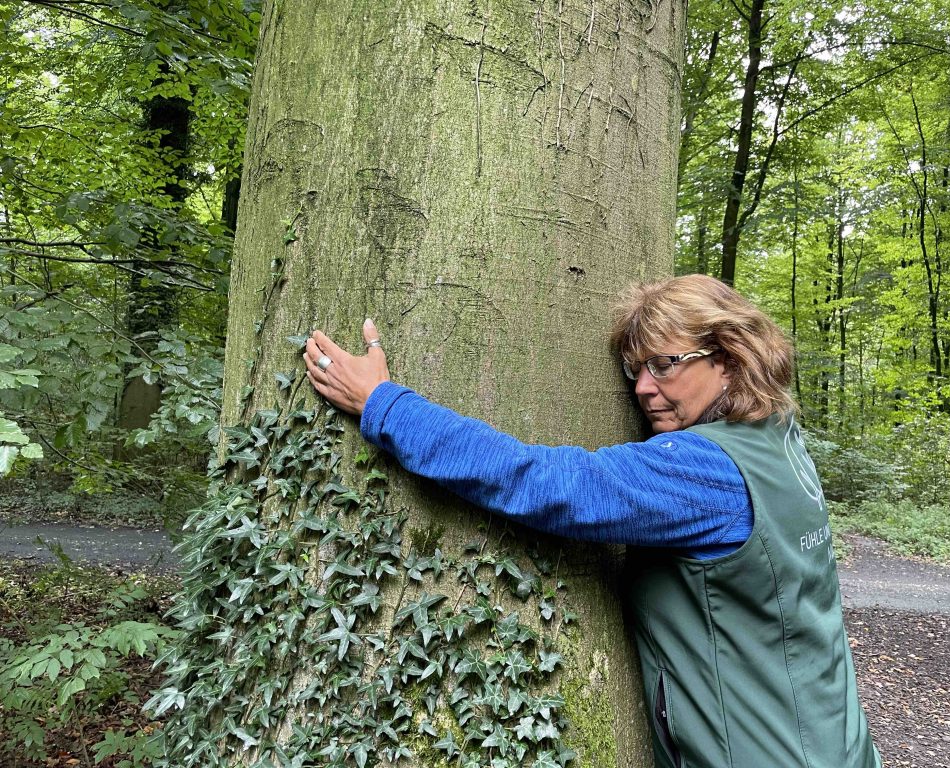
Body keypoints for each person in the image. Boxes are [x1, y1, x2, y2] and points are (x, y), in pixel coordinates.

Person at [303, 274, 882, 768]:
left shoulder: (707, 469)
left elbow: (549, 483)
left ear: (730, 358)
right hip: (838, 745)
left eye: (664, 365)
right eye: (636, 369)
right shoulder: (777, 441)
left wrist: (384, 404)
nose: (643, 388)